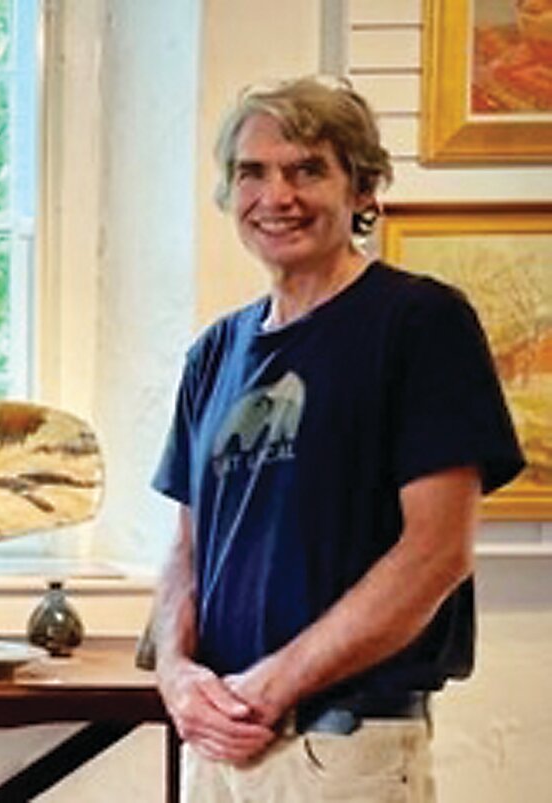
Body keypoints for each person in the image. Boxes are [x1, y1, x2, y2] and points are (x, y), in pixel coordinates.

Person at [150, 76, 524, 802]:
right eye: (251, 172)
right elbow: (186, 551)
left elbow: (436, 554)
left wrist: (273, 683)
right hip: (219, 746)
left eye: (307, 169)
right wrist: (177, 673)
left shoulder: (420, 324)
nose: (275, 195)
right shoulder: (213, 354)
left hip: (342, 748)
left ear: (361, 190)